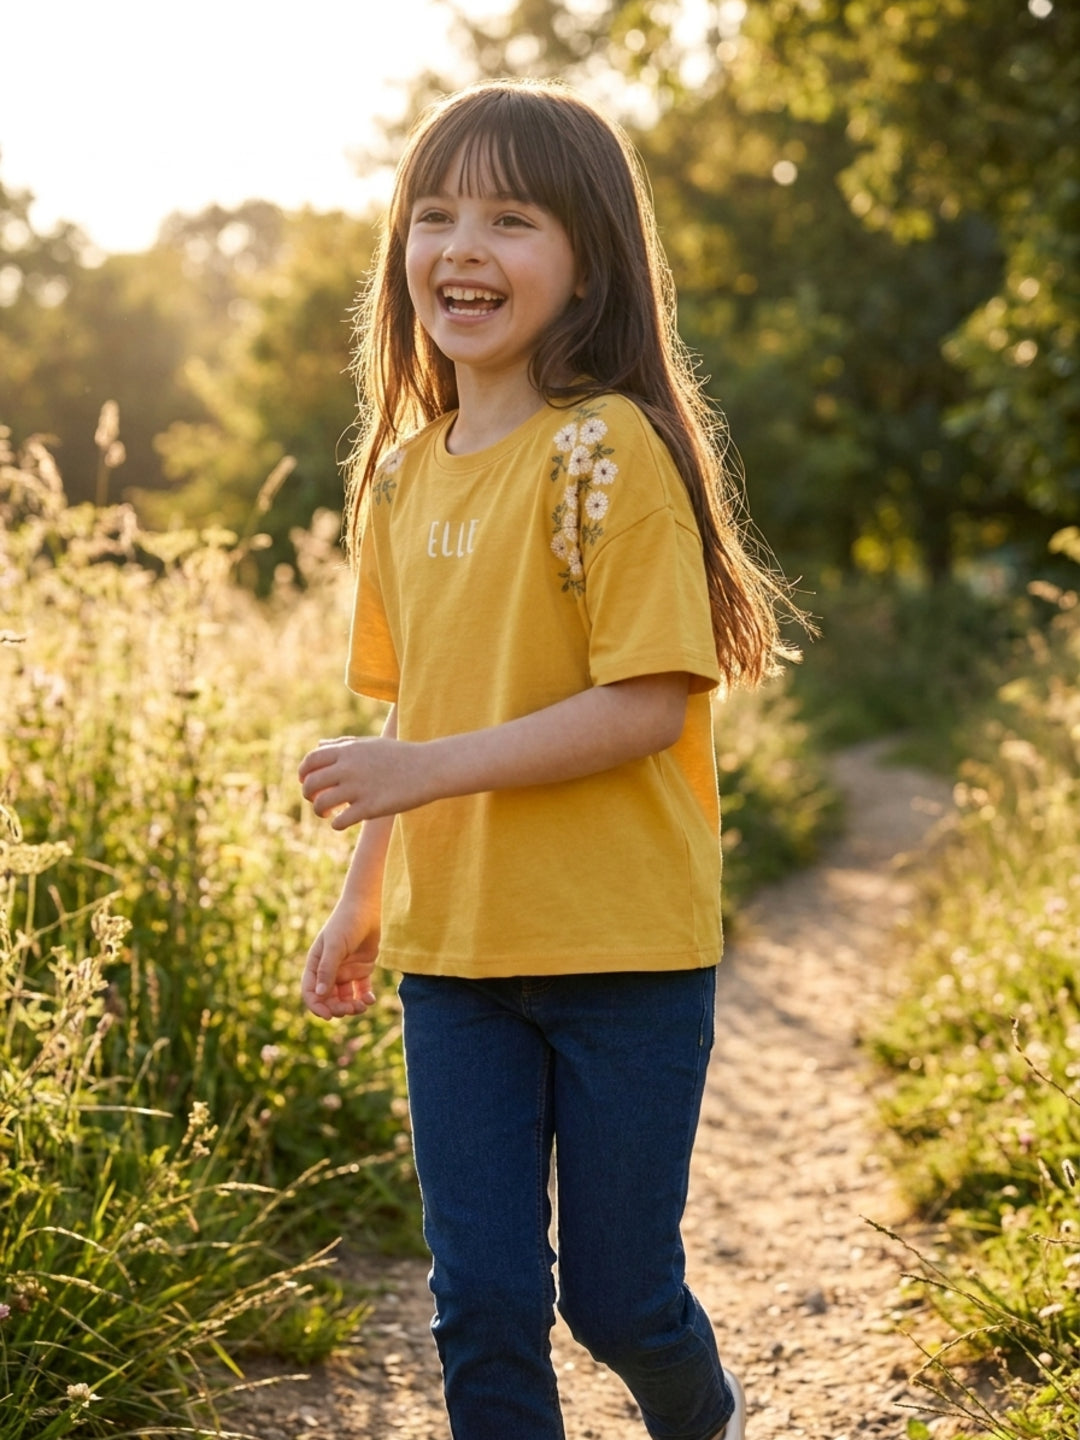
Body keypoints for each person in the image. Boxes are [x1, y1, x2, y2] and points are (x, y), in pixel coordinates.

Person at [299, 78, 796, 1440]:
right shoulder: (402, 476)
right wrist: (362, 899)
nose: (464, 247)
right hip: (454, 962)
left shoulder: (605, 451)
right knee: (482, 1305)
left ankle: (704, 1417)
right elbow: (416, 715)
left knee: (620, 1302)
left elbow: (644, 706)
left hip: (623, 951)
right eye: (437, 214)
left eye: (512, 219)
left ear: (588, 265)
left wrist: (420, 773)